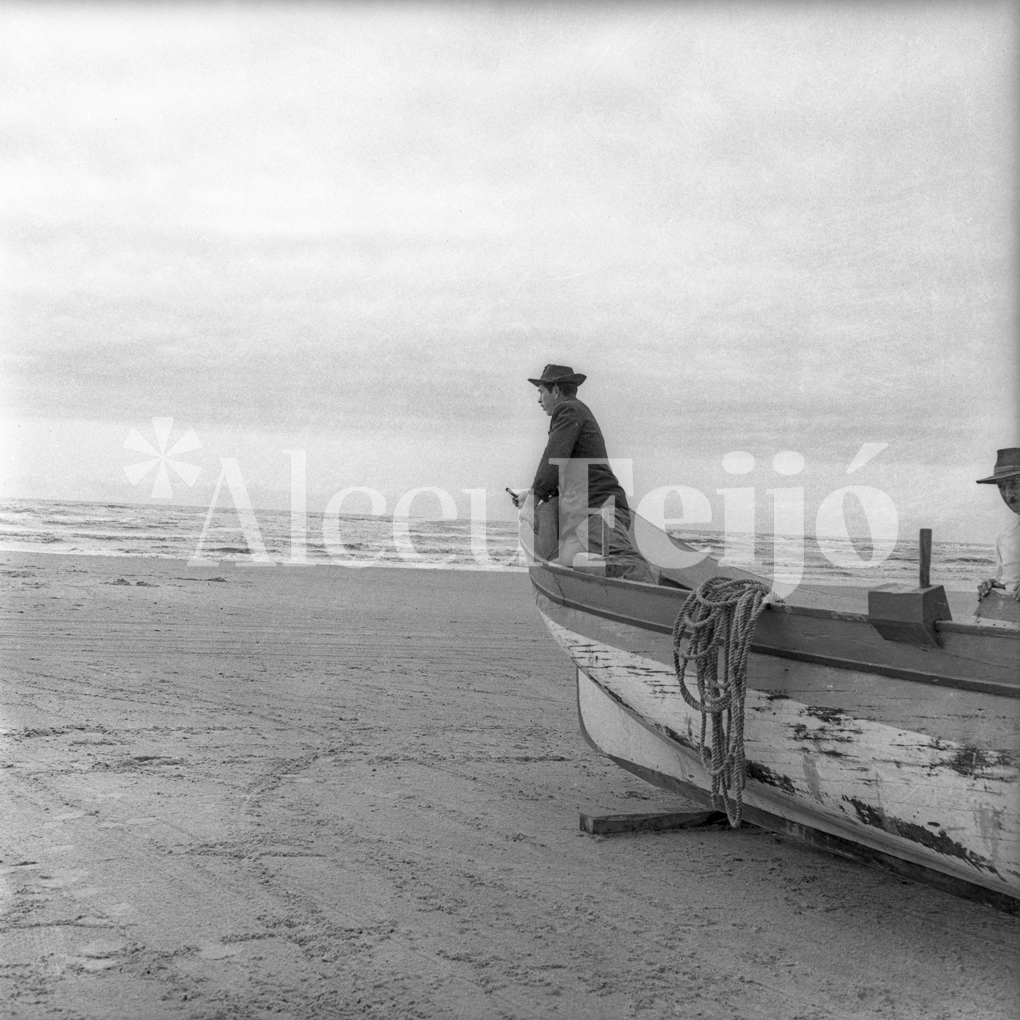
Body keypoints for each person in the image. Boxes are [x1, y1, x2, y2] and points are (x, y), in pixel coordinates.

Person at [515, 364, 655, 582]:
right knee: (559, 564)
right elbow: (565, 466)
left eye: (541, 392)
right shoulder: (576, 412)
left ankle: (658, 597)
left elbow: (555, 455)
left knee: (631, 567)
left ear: (556, 390)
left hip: (596, 508)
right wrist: (531, 493)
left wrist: (534, 499)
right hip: (585, 512)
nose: (539, 400)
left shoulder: (568, 410)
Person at [976, 447, 1020, 602]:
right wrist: (995, 586)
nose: (1008, 495)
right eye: (1001, 486)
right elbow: (1008, 584)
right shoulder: (1005, 536)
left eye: (1015, 484)